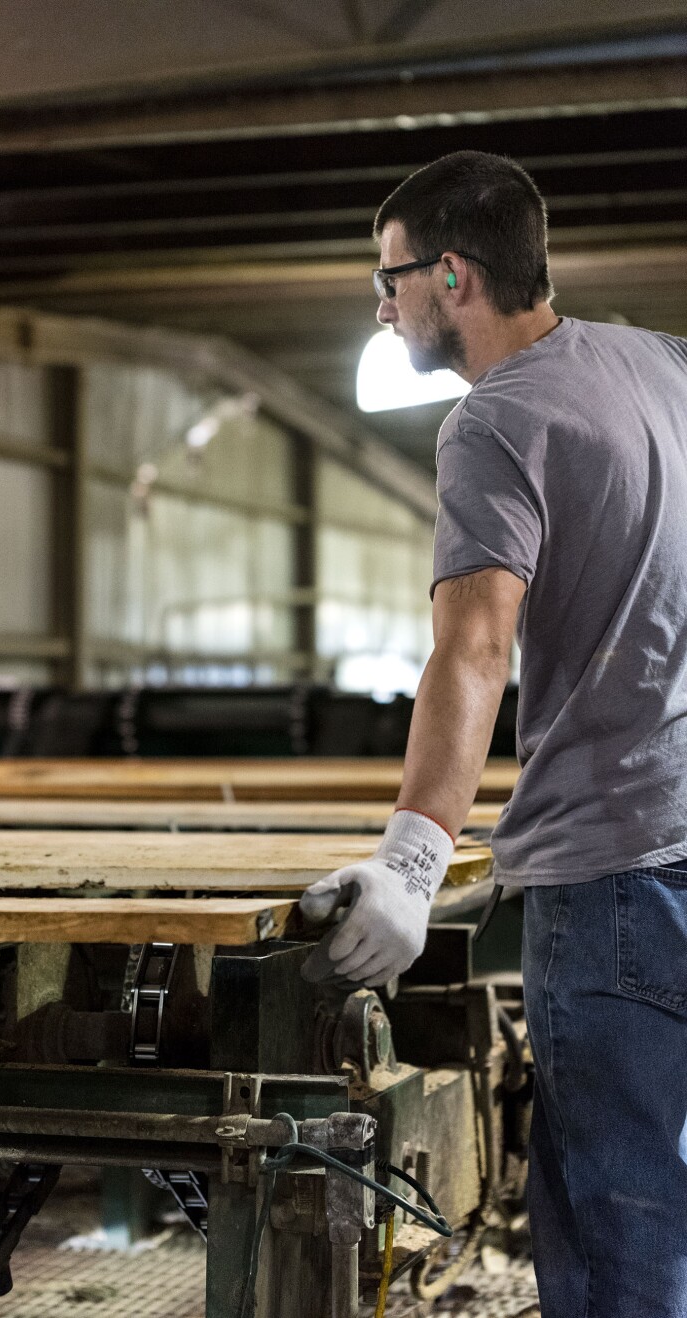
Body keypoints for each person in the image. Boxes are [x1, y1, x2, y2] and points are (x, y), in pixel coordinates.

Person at [299, 150, 687, 1317]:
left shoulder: (496, 420)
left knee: (620, 1227)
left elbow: (472, 648)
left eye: (392, 279)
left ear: (452, 275)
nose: (384, 304)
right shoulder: (660, 364)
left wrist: (412, 862)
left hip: (612, 871)